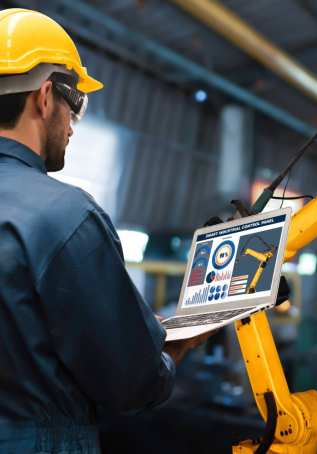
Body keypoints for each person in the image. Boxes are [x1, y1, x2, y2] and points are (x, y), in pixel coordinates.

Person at [0, 8, 211, 453]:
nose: (74, 122)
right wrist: (177, 346)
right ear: (43, 97)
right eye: (74, 101)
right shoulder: (66, 216)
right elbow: (132, 383)